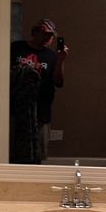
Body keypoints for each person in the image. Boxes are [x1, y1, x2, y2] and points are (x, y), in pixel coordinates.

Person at [9, 18, 68, 164]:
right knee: (11, 150)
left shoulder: (52, 56)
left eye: (51, 35)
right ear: (34, 32)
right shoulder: (16, 47)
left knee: (37, 154)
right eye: (44, 33)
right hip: (15, 108)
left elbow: (59, 82)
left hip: (41, 110)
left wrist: (61, 60)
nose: (48, 38)